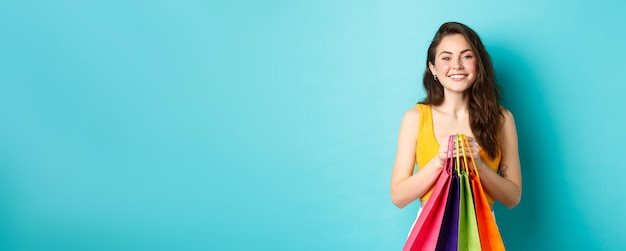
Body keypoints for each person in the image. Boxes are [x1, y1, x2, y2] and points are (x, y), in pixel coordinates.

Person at [390, 22, 522, 221]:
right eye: (446, 58)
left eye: (467, 56)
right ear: (432, 68)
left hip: (483, 233)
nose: (457, 65)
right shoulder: (415, 118)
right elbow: (398, 197)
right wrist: (438, 163)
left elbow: (513, 198)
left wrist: (480, 166)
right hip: (430, 232)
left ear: (479, 64)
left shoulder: (502, 120)